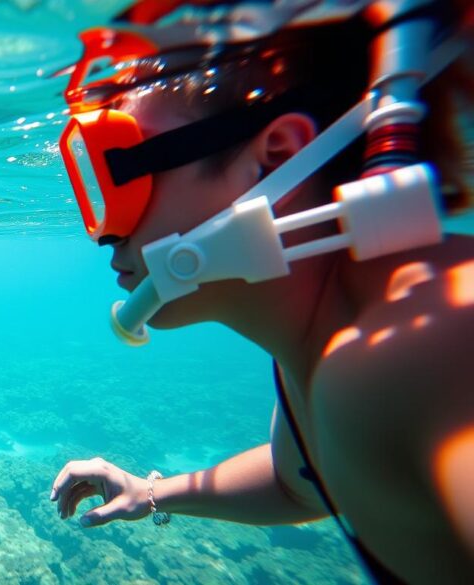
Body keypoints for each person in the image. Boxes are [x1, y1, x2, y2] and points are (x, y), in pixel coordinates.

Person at [48, 1, 474, 582]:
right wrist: (151, 493)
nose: (105, 234)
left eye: (119, 173)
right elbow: (298, 484)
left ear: (277, 158)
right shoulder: (323, 348)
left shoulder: (419, 351)